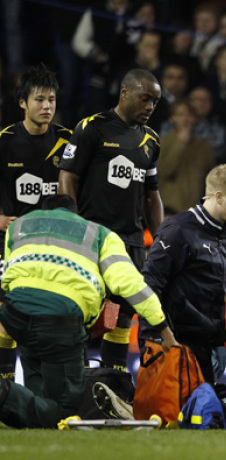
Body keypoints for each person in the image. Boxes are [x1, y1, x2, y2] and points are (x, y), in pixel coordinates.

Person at [0, 195, 177, 428]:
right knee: (65, 412)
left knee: (40, 397)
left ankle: (17, 402)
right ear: (76, 213)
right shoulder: (99, 234)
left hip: (16, 314)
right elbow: (130, 284)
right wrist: (163, 327)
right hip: (61, 321)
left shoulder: (18, 226)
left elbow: (7, 275)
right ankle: (4, 393)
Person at [58, 68, 163, 372]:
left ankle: (113, 378)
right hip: (92, 238)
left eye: (155, 102)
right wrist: (74, 228)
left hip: (130, 242)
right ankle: (73, 382)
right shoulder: (92, 128)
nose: (150, 108)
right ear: (125, 92)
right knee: (82, 311)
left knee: (122, 316)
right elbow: (68, 178)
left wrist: (160, 240)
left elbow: (151, 195)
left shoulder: (151, 141)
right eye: (145, 99)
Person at [139, 165, 226, 383]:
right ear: (219, 197)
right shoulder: (177, 231)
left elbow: (218, 294)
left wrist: (218, 341)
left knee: (203, 415)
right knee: (172, 416)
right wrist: (155, 337)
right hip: (172, 342)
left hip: (204, 346)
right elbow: (149, 287)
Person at [0, 65, 73, 382]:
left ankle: (43, 389)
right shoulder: (4, 142)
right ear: (22, 102)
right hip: (13, 245)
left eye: (52, 100)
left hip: (54, 245)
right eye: (40, 99)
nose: (47, 106)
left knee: (48, 315)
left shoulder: (69, 142)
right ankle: (4, 388)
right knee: (7, 315)